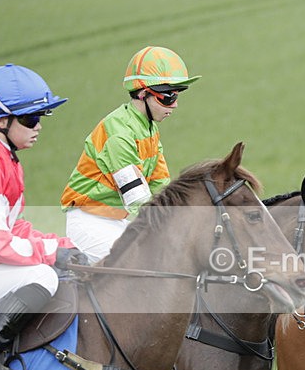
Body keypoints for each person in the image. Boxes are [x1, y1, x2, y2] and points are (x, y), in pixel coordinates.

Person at [0, 64, 87, 370]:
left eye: (41, 117)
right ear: (0, 121)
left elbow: (11, 229)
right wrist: (48, 254)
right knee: (40, 274)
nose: (38, 126)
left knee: (49, 268)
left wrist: (60, 245)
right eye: (30, 119)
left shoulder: (2, 157)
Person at [60, 46, 201, 263]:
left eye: (177, 96)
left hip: (117, 219)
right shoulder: (120, 134)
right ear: (144, 93)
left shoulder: (148, 129)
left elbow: (160, 188)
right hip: (90, 221)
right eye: (168, 97)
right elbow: (137, 199)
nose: (175, 105)